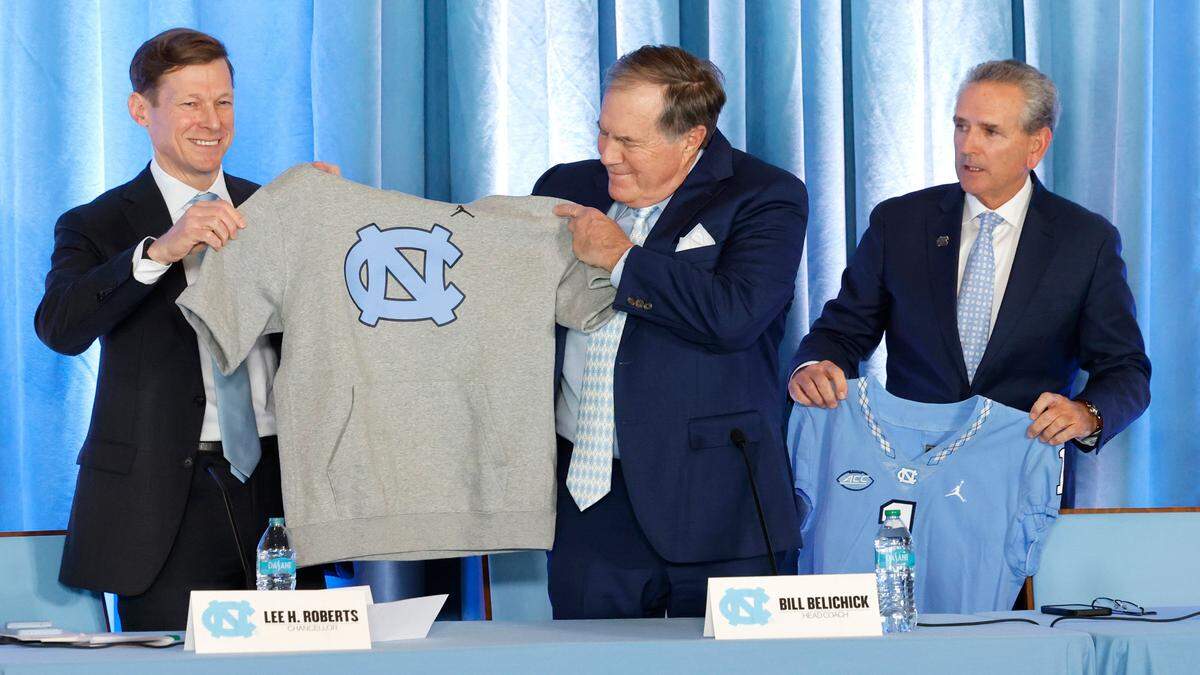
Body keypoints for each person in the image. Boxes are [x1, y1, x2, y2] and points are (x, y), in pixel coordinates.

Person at [35, 28, 331, 630]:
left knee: (304, 666)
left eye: (223, 101)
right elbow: (60, 327)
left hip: (280, 493)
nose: (211, 120)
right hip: (160, 507)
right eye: (190, 102)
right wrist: (158, 252)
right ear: (141, 109)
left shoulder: (274, 208)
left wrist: (331, 223)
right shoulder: (96, 222)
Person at [788, 59, 1150, 507]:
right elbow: (842, 332)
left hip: (1021, 479)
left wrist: (1086, 414)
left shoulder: (1085, 241)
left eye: (989, 131)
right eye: (961, 126)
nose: (967, 146)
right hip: (906, 477)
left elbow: (1125, 370)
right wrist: (816, 366)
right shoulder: (901, 223)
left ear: (1036, 145)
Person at [533, 45, 808, 619]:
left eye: (629, 142)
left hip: (717, 505)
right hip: (588, 498)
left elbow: (735, 316)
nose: (607, 155)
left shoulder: (766, 195)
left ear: (691, 138)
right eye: (603, 133)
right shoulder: (565, 186)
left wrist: (622, 260)